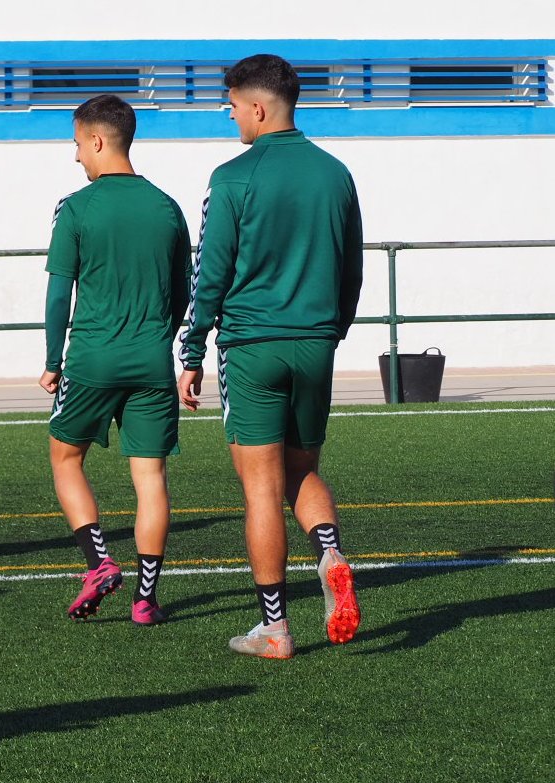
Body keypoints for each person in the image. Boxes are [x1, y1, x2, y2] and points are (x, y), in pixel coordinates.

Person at [177, 54, 364, 659]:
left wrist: (193, 347)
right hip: (314, 342)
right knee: (302, 470)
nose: (230, 117)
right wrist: (331, 331)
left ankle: (276, 628)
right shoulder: (336, 173)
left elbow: (210, 273)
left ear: (257, 107)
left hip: (252, 346)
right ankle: (330, 552)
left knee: (260, 489)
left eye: (232, 106)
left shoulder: (232, 176)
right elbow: (351, 267)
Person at [40, 94, 191, 627]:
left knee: (65, 458)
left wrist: (53, 359)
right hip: (152, 361)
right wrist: (161, 340)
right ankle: (146, 600)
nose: (76, 155)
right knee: (150, 477)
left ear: (99, 141)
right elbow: (183, 292)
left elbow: (61, 294)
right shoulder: (167, 206)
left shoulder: (76, 207)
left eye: (78, 143)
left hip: (91, 361)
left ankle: (99, 562)